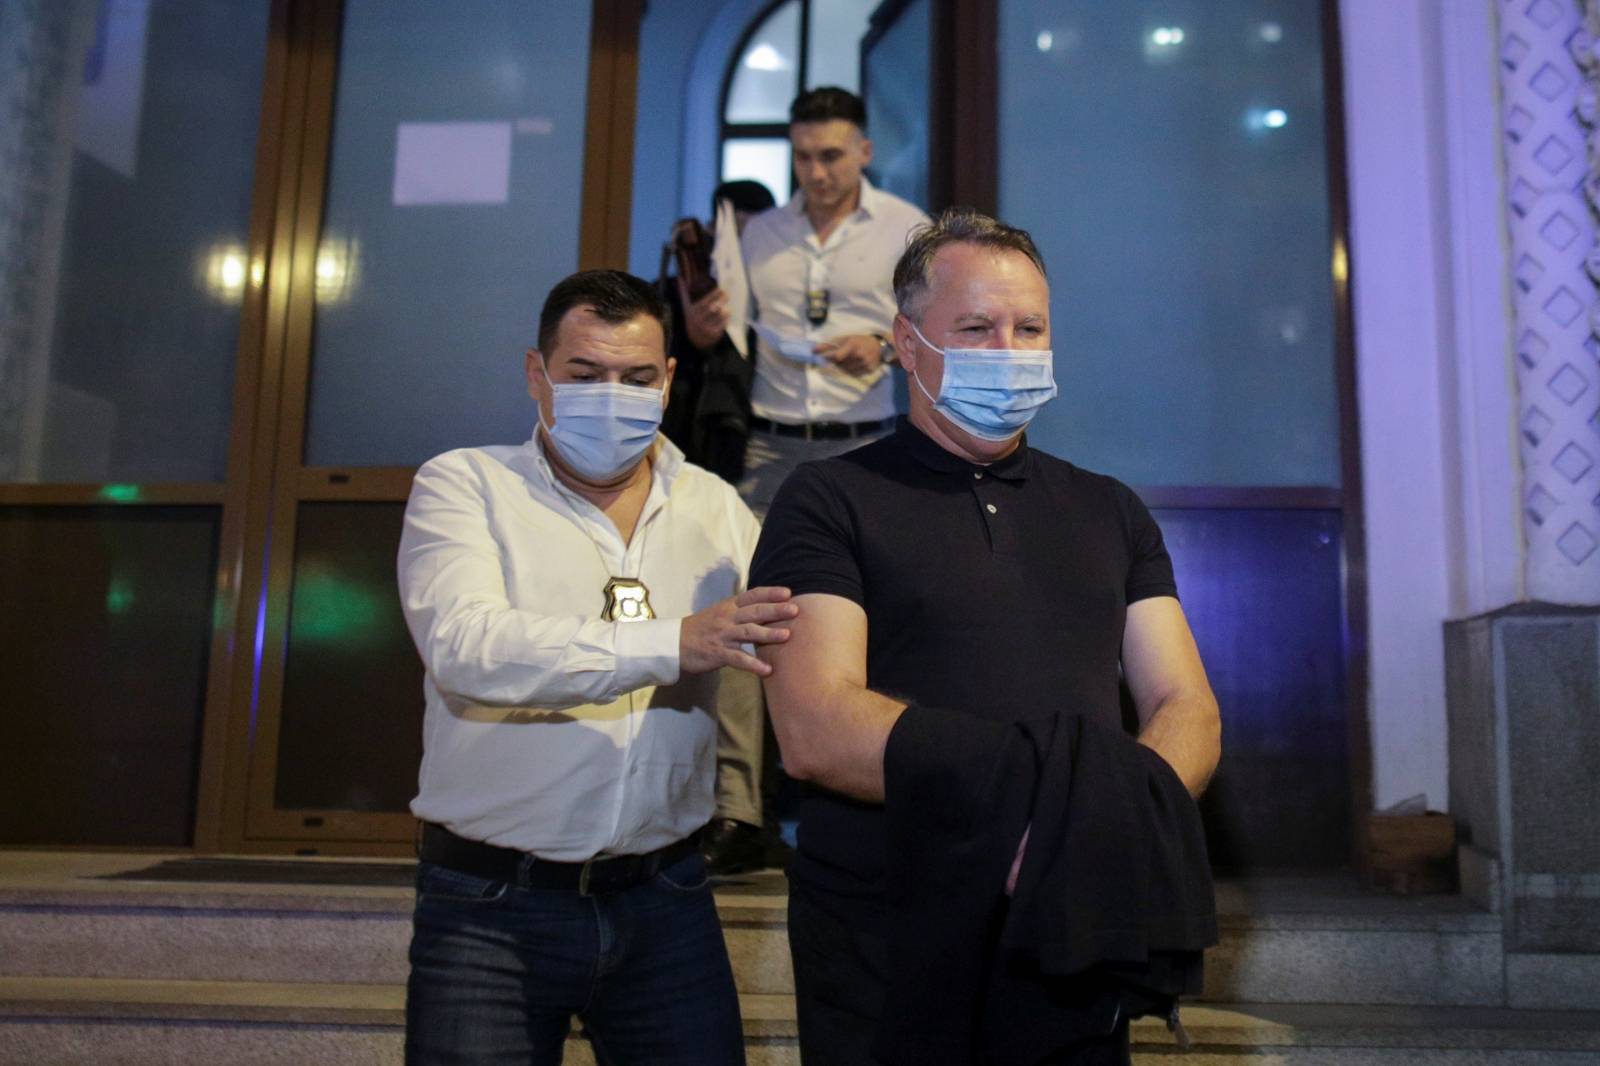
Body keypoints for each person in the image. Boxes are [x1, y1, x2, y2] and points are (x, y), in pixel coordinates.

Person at [749, 209, 1223, 1064]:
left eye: (1029, 327)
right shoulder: (826, 501)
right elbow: (816, 728)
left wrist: (1102, 828)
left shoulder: (1109, 508)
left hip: (1069, 925)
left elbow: (1183, 703)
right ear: (905, 341)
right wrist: (1040, 811)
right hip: (887, 932)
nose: (1008, 349)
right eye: (975, 327)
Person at [397, 269, 798, 1066]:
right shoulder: (464, 485)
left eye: (637, 377)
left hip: (666, 899)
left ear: (669, 380)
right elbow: (468, 647)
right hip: (490, 904)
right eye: (585, 375)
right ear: (537, 374)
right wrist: (672, 642)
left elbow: (790, 640)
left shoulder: (716, 506)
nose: (611, 395)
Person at [681, 86, 929, 872]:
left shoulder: (904, 229)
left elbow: (934, 325)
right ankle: (739, 815)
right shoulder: (763, 233)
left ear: (862, 150)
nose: (816, 172)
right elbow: (722, 331)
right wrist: (701, 327)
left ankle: (885, 802)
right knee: (741, 618)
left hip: (869, 445)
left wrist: (884, 349)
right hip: (770, 444)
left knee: (885, 620)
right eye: (803, 157)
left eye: (830, 155)